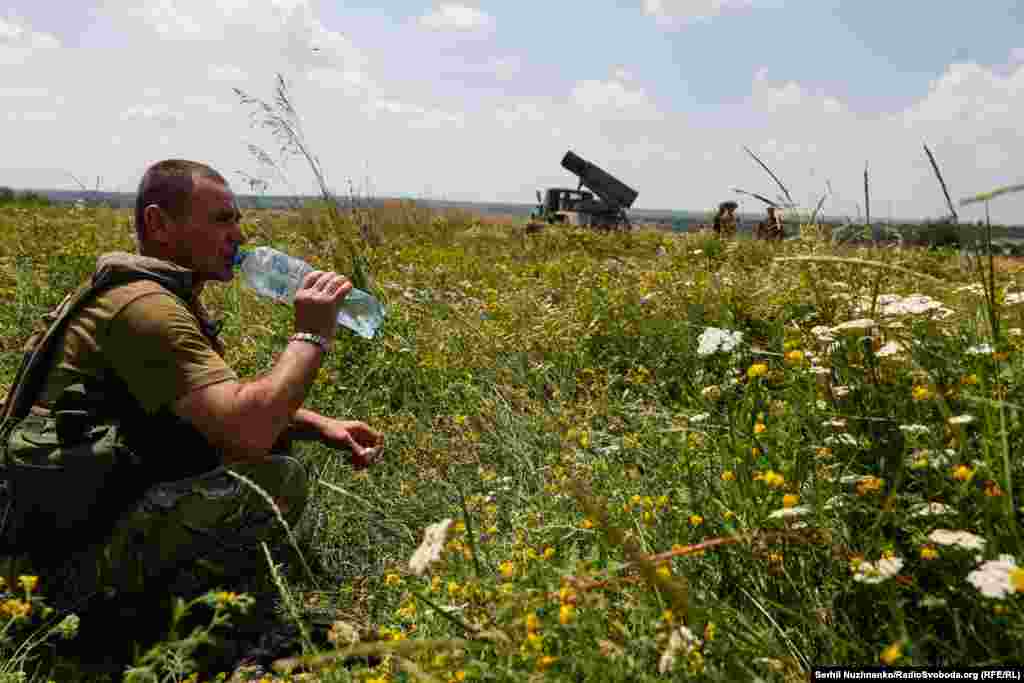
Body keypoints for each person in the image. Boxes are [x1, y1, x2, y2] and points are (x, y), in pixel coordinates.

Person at [1, 159, 383, 673]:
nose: (237, 235)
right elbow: (246, 432)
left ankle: (169, 612)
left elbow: (205, 405)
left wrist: (316, 424)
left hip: (56, 532)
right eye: (221, 220)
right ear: (159, 225)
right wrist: (311, 335)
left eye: (237, 220)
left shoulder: (143, 293)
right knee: (273, 480)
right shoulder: (147, 308)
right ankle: (143, 629)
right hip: (45, 572)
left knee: (277, 445)